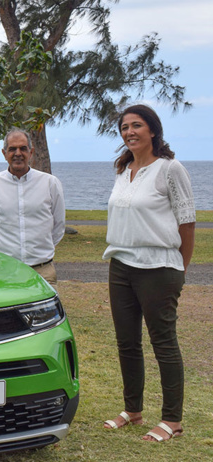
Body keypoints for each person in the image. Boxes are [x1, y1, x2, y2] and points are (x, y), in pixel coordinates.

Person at [101, 104, 195, 442]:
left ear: (152, 130)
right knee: (127, 342)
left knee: (163, 343)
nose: (129, 132)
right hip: (121, 265)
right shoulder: (122, 170)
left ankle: (172, 420)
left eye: (136, 125)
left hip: (159, 268)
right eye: (124, 127)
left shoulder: (170, 169)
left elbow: (187, 222)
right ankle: (133, 410)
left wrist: (180, 270)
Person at [0, 128, 66, 286]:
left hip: (43, 271)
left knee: (44, 311)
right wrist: (2, 255)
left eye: (23, 148)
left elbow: (58, 225)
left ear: (31, 152)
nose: (18, 153)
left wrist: (41, 250)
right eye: (12, 149)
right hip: (5, 270)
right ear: (4, 153)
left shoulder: (50, 183)